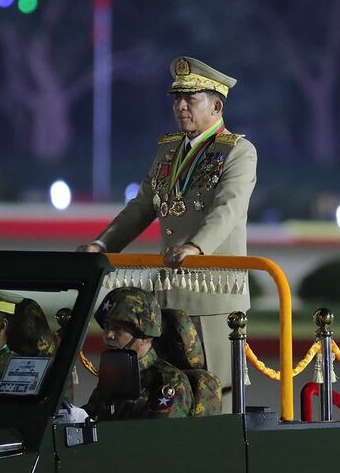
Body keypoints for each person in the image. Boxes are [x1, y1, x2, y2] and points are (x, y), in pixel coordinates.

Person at [78, 56, 257, 411]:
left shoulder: (237, 151)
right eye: (177, 98)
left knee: (215, 397)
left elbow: (228, 208)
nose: (180, 106)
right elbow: (142, 206)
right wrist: (103, 244)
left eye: (190, 99)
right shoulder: (169, 150)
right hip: (168, 295)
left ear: (216, 105)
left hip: (213, 296)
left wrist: (196, 246)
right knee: (169, 395)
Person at [84, 287, 192, 420]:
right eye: (106, 326)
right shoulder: (116, 373)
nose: (108, 335)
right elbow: (93, 414)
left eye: (118, 328)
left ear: (146, 335)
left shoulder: (168, 382)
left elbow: (156, 436)